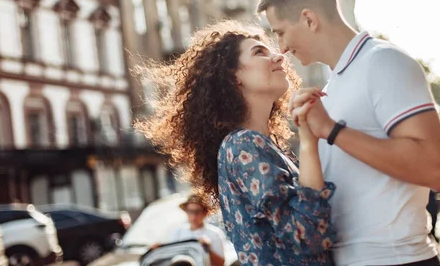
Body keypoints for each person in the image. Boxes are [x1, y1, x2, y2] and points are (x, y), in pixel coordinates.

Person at [258, 0, 440, 266]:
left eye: (280, 32)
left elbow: (437, 170)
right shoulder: (332, 87)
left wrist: (333, 131)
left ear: (308, 19)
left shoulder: (384, 62)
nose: (280, 48)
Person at [136, 20, 336, 265]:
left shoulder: (256, 144)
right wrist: (308, 140)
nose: (279, 56)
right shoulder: (244, 145)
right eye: (259, 52)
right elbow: (307, 238)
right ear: (234, 77)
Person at [149, 194, 226, 266]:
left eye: (197, 212)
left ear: (205, 213)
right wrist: (158, 248)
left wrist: (207, 248)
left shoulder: (214, 233)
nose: (193, 216)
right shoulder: (177, 231)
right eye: (190, 211)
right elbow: (169, 254)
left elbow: (220, 263)